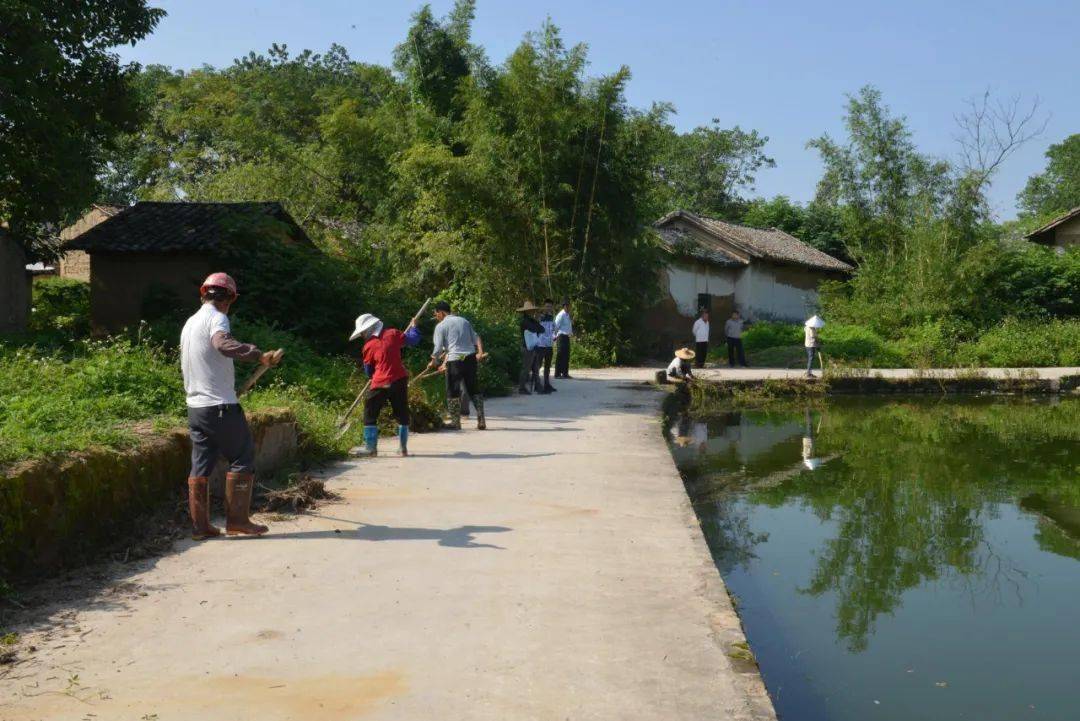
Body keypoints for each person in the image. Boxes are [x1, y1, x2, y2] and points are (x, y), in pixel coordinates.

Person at [181, 272, 281, 540]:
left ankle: (200, 527)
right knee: (242, 456)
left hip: (196, 407)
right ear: (230, 299)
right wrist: (258, 355)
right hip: (220, 406)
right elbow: (221, 344)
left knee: (201, 464)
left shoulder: (190, 322)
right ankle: (237, 521)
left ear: (203, 293)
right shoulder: (217, 317)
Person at [348, 311, 421, 457]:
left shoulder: (368, 346)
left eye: (362, 333)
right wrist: (414, 327)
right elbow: (414, 340)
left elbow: (369, 371)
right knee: (401, 412)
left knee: (370, 412)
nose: (362, 336)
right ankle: (402, 449)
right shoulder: (393, 334)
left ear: (369, 329)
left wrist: (373, 376)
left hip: (380, 382)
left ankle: (370, 448)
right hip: (399, 380)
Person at [428, 301, 486, 430]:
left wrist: (433, 360)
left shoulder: (441, 326)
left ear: (442, 312)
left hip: (455, 360)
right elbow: (474, 338)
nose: (436, 316)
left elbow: (437, 348)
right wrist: (480, 352)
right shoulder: (464, 321)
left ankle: (455, 422)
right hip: (469, 358)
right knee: (473, 388)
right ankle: (481, 418)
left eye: (436, 314)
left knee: (452, 390)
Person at [517, 301, 544, 394]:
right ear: (526, 312)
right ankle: (521, 388)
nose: (532, 312)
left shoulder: (532, 320)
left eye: (532, 311)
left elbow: (541, 329)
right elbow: (535, 328)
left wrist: (536, 323)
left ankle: (538, 385)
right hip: (527, 348)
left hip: (533, 347)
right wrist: (537, 323)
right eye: (530, 311)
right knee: (526, 368)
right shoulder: (524, 322)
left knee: (536, 368)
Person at [536, 299, 557, 394]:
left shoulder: (551, 317)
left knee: (548, 366)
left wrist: (554, 336)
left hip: (549, 345)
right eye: (547, 306)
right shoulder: (539, 317)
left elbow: (553, 329)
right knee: (538, 365)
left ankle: (547, 384)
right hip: (541, 345)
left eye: (550, 306)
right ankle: (537, 385)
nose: (548, 308)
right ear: (544, 306)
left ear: (552, 308)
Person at [553, 298, 574, 379]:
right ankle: (557, 373)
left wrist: (571, 333)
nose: (569, 307)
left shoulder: (567, 315)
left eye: (569, 305)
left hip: (566, 337)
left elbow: (568, 326)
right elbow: (556, 326)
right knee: (560, 354)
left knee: (566, 355)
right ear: (564, 306)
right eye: (567, 305)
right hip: (561, 336)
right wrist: (554, 337)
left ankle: (565, 373)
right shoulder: (561, 315)